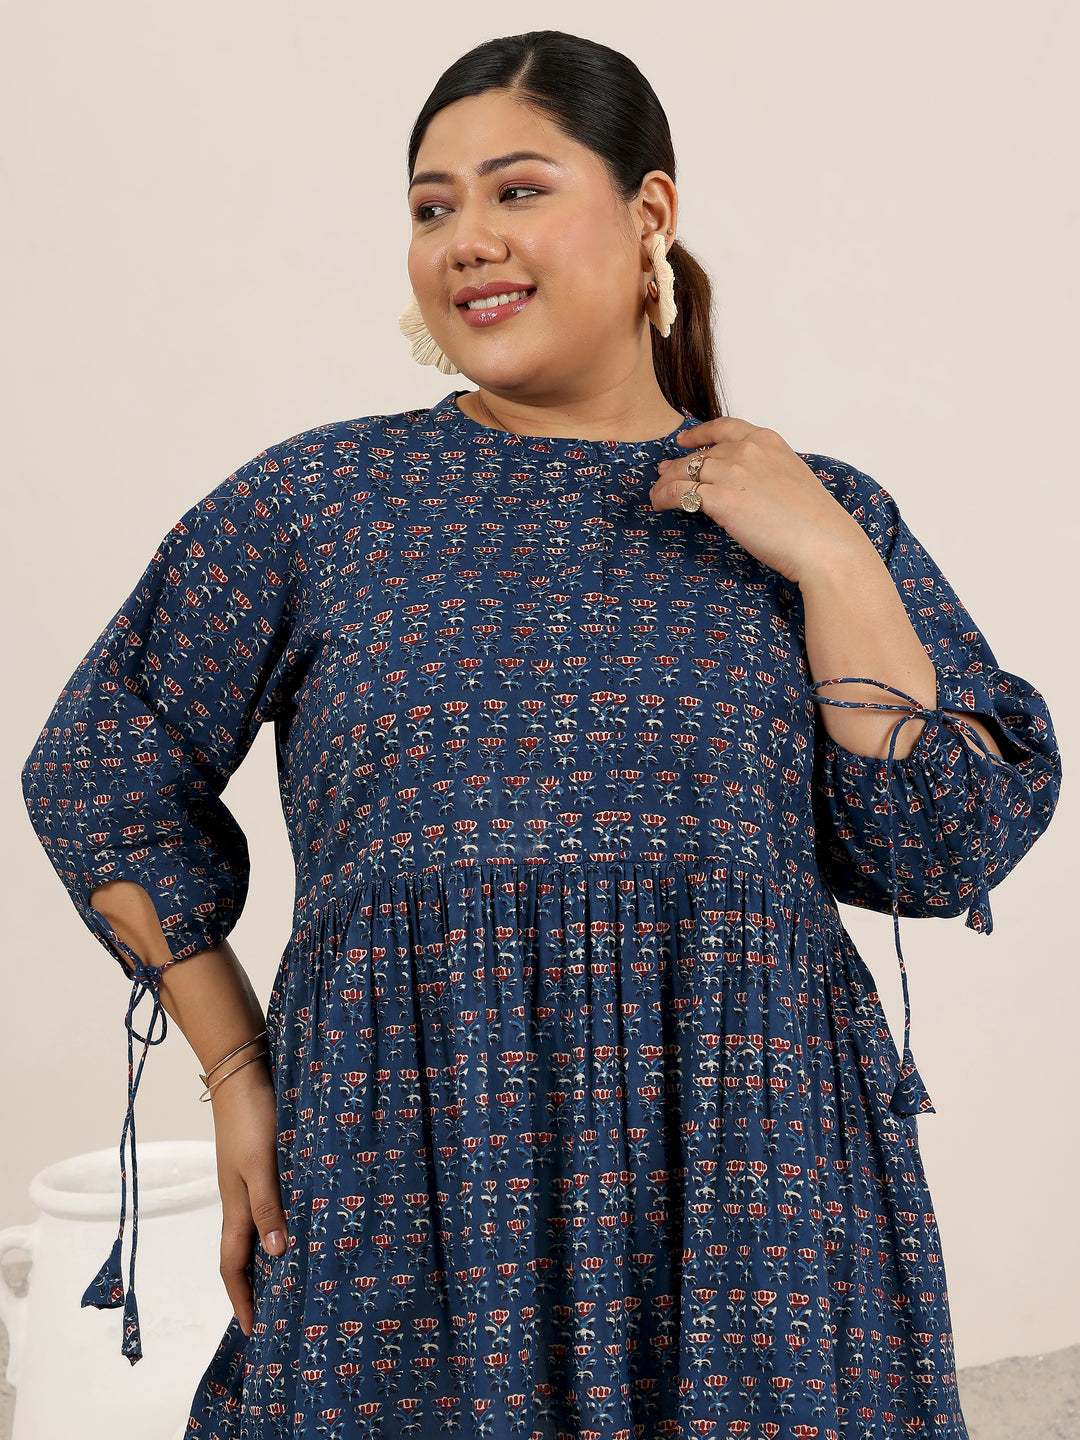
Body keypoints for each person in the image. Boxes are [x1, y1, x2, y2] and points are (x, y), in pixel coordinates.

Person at [20, 27, 1061, 1440]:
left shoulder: (819, 512)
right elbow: (101, 772)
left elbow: (939, 845)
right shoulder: (319, 505)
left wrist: (830, 558)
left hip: (749, 1204)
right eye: (431, 206)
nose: (466, 239)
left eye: (517, 190)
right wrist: (236, 1070)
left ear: (649, 214)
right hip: (408, 1193)